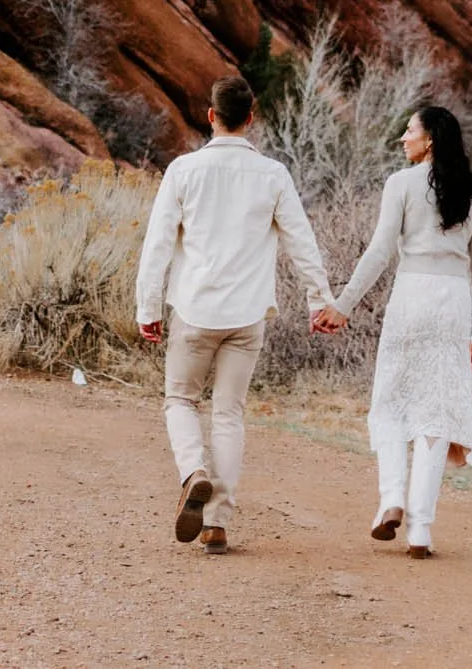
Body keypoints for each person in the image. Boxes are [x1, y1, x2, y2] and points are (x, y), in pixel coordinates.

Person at [136, 74, 335, 555]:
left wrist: (148, 305)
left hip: (195, 308)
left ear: (211, 116)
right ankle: (217, 522)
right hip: (247, 316)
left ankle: (193, 473)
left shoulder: (183, 171)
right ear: (251, 117)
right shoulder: (272, 175)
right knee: (229, 414)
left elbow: (158, 244)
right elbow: (300, 242)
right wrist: (319, 299)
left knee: (180, 399)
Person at [313, 105, 472, 558]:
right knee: (436, 414)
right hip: (453, 303)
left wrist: (343, 304)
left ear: (429, 138)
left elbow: (379, 253)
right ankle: (421, 530)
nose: (402, 137)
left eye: (409, 130)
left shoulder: (401, 184)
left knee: (392, 401)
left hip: (412, 294)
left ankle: (391, 498)